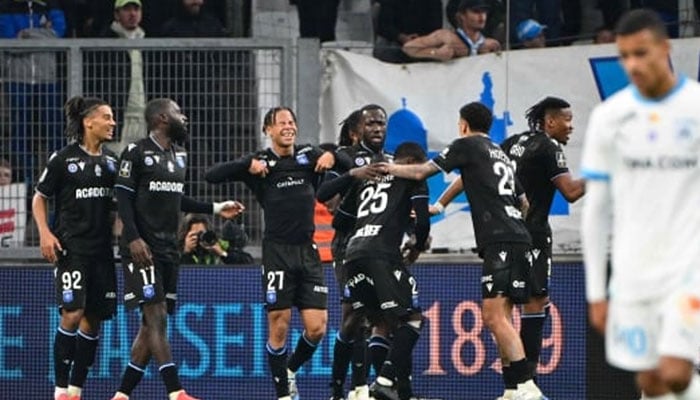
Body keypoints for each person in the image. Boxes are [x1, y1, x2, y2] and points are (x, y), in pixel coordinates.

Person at [373, 102, 547, 400]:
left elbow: (421, 172)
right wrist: (440, 206)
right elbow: (524, 202)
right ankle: (511, 390)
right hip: (519, 237)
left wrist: (389, 167)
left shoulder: (466, 145)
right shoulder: (498, 153)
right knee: (503, 315)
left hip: (500, 241)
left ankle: (527, 388)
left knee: (493, 317)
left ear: (463, 124)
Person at [581, 9, 700, 400]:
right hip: (633, 272)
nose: (632, 64)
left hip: (689, 267)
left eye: (641, 53)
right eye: (625, 55)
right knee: (650, 381)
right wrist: (597, 291)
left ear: (665, 49)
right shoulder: (609, 119)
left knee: (677, 372)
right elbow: (596, 210)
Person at [111, 98, 243, 400]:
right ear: (161, 118)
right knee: (155, 316)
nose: (185, 118)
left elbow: (177, 200)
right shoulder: (136, 152)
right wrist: (132, 239)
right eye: (178, 113)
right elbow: (123, 199)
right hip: (142, 249)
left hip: (169, 248)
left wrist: (215, 207)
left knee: (151, 325)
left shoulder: (178, 156)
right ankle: (176, 392)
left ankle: (121, 395)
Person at [205, 106, 336, 400]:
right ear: (268, 130)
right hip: (277, 252)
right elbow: (211, 175)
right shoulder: (260, 163)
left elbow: (347, 163)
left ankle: (289, 370)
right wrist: (245, 163)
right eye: (282, 123)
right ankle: (283, 395)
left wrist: (334, 156)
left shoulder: (308, 156)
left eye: (292, 122)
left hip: (308, 251)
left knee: (317, 329)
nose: (288, 127)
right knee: (279, 324)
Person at [321, 141, 431, 400]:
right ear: (412, 163)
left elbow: (339, 221)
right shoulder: (415, 177)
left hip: (352, 256)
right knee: (413, 319)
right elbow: (423, 224)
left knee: (380, 324)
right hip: (382, 255)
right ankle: (384, 381)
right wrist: (415, 245)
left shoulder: (367, 179)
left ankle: (394, 392)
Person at [32, 96, 118, 400]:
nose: (112, 122)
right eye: (107, 117)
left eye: (112, 117)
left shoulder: (111, 163)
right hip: (73, 248)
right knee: (72, 312)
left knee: (92, 320)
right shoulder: (63, 159)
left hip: (103, 252)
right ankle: (59, 390)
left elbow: (117, 208)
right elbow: (39, 197)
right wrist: (45, 233)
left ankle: (75, 389)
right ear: (88, 122)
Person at [317, 105, 392, 400]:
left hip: (379, 246)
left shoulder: (389, 161)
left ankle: (366, 387)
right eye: (371, 123)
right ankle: (341, 388)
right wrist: (353, 174)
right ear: (357, 130)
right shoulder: (344, 155)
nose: (377, 128)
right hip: (348, 244)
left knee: (379, 316)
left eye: (381, 123)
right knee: (353, 315)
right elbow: (323, 194)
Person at [2, 0, 66, 184]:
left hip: (47, 80)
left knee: (54, 133)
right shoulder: (6, 7)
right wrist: (42, 33)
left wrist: (25, 35)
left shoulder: (52, 6)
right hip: (17, 80)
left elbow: (58, 35)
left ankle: (56, 181)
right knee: (20, 135)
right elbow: (9, 40)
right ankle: (25, 181)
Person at [87, 0, 147, 155]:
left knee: (140, 161)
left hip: (143, 113)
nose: (132, 13)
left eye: (136, 9)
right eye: (127, 9)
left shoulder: (148, 40)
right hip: (117, 112)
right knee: (114, 158)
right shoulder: (105, 41)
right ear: (116, 14)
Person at [401, 0, 500, 62]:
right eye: (476, 12)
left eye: (484, 12)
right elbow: (408, 48)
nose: (482, 17)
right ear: (461, 16)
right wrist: (435, 53)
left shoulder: (490, 44)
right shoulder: (445, 36)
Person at [372, 0, 443, 64]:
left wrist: (420, 41)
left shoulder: (434, 2)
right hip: (397, 43)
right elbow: (383, 26)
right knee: (382, 50)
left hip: (425, 44)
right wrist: (401, 37)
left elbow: (436, 27)